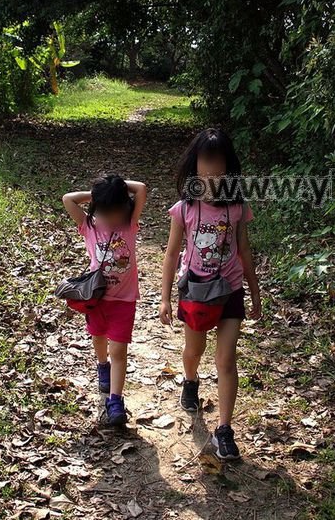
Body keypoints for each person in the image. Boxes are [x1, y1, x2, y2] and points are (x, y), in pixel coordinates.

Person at [159, 128, 262, 460]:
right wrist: (164, 297)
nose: (212, 168)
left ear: (228, 165)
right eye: (206, 160)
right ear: (196, 163)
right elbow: (172, 254)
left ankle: (225, 431)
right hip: (196, 291)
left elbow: (244, 252)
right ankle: (190, 380)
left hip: (230, 290)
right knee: (194, 350)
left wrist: (255, 294)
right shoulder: (184, 208)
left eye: (218, 161)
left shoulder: (236, 208)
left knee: (226, 360)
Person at [62, 175, 147, 425]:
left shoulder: (129, 225)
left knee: (119, 349)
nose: (111, 218)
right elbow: (68, 199)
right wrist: (98, 196)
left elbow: (140, 188)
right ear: (96, 209)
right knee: (98, 337)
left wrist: (116, 189)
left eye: (116, 211)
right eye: (106, 212)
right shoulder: (89, 226)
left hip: (124, 300)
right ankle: (102, 366)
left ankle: (116, 400)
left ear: (126, 208)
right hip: (96, 298)